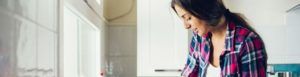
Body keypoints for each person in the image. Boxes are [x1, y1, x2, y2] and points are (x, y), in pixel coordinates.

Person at [171, 0, 267, 77]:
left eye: (188, 18)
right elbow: (189, 73)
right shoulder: (199, 39)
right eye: (182, 19)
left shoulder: (247, 42)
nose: (186, 26)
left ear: (204, 9)